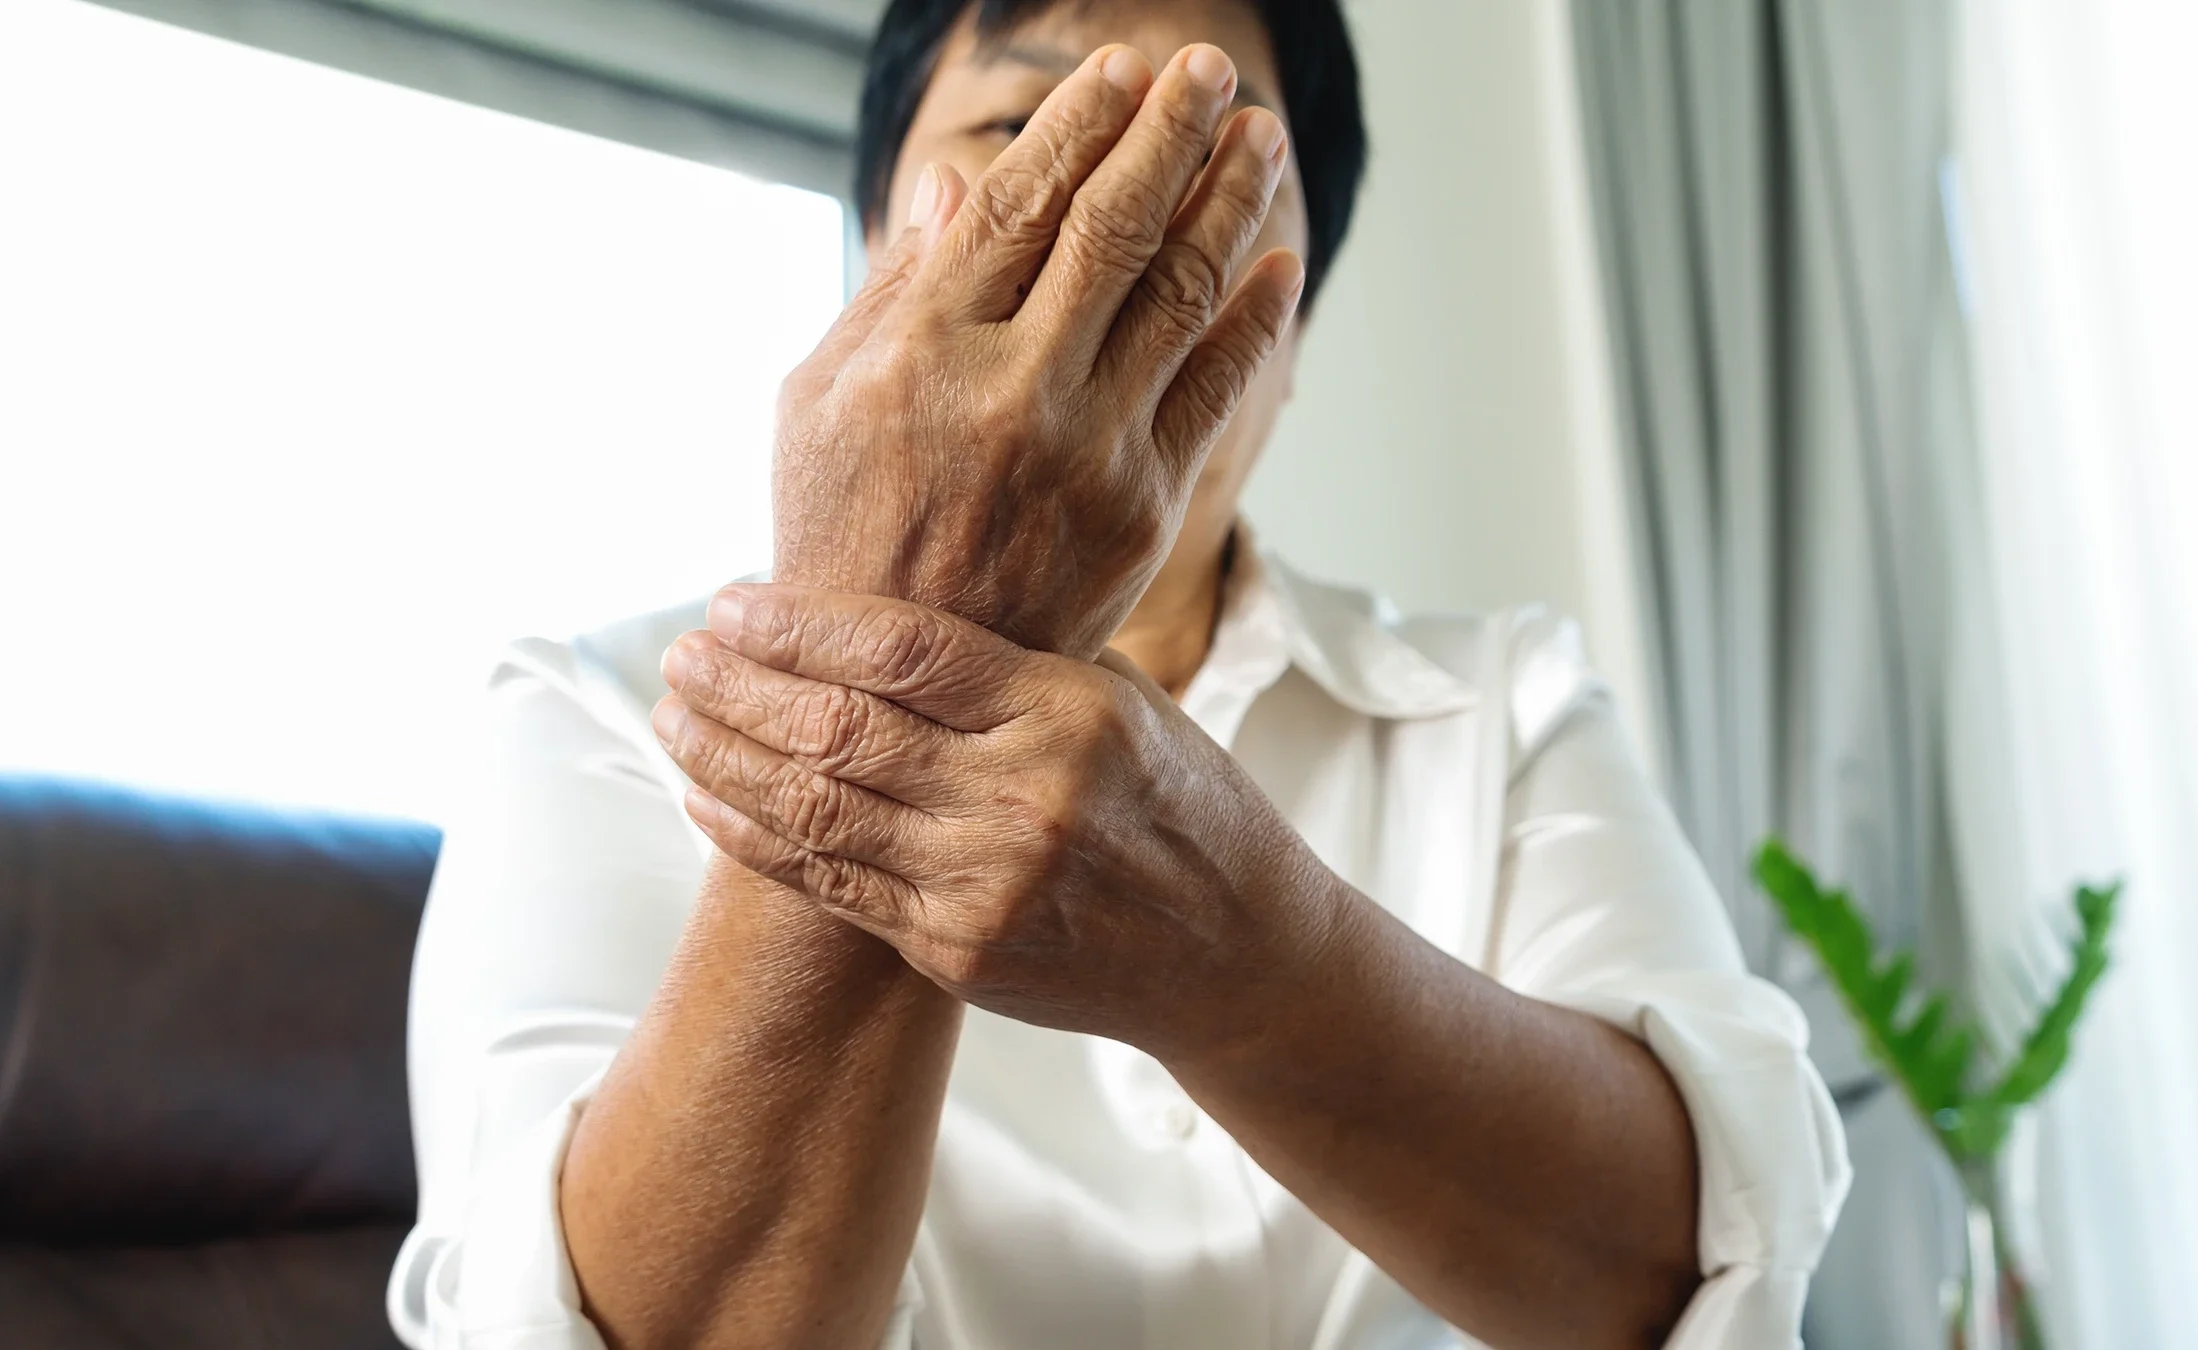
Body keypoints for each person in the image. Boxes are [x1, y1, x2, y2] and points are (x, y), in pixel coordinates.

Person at [389, 1, 1848, 1347]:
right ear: (874, 241)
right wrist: (910, 645)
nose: (1115, 232)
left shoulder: (1505, 705)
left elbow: (1702, 1262)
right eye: (1019, 133)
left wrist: (1250, 960)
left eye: (1211, 174)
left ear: (1294, 334)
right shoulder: (593, 712)